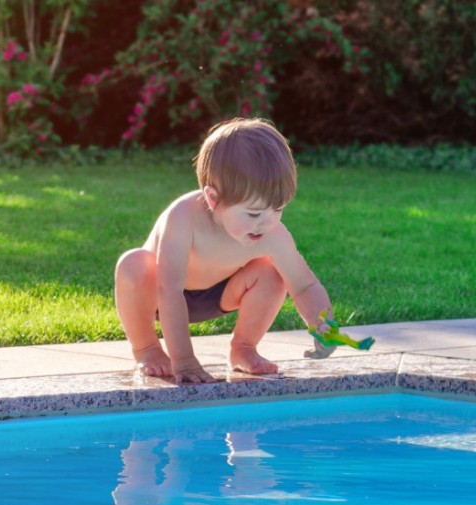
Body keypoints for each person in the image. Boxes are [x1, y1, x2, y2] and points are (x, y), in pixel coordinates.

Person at [114, 118, 333, 384]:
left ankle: (244, 348)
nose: (266, 222)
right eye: (253, 213)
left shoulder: (271, 232)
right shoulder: (183, 218)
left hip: (220, 294)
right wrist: (183, 361)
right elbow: (168, 290)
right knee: (133, 263)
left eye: (278, 209)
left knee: (272, 272)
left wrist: (323, 326)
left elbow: (304, 285)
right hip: (161, 294)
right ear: (212, 199)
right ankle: (146, 349)